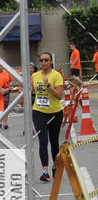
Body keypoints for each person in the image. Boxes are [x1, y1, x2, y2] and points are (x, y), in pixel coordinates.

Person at [31, 53, 64, 181]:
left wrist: (49, 86)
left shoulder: (56, 75)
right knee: (43, 140)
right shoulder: (35, 76)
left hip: (55, 111)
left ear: (51, 62)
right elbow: (31, 90)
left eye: (46, 60)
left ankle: (55, 165)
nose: (43, 62)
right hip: (39, 111)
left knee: (54, 141)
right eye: (41, 60)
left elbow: (60, 95)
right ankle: (45, 170)